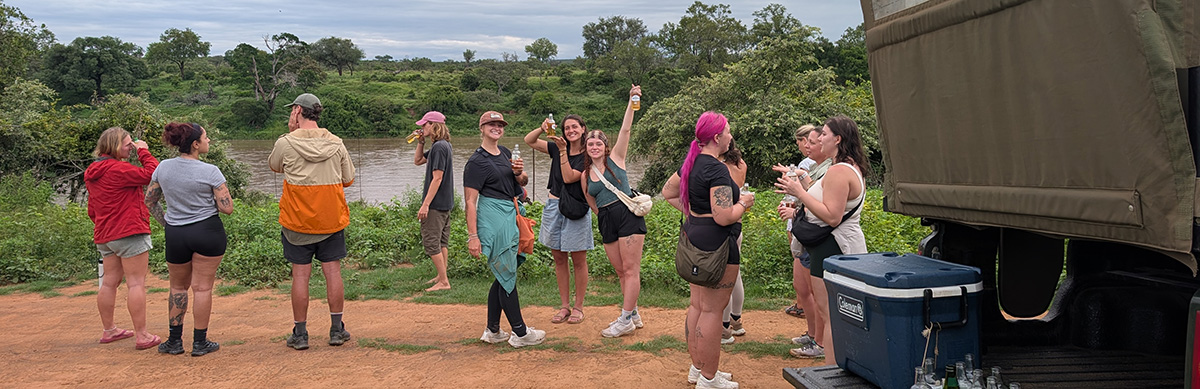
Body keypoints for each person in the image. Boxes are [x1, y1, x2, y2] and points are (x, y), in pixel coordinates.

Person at [661, 111, 754, 389]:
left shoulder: (691, 162)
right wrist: (745, 203)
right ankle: (710, 379)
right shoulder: (716, 170)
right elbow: (724, 215)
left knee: (697, 306)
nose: (730, 136)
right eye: (727, 131)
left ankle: (698, 369)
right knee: (713, 312)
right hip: (717, 245)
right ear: (716, 137)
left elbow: (668, 192)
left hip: (694, 237)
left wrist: (695, 214)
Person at [775, 115, 870, 364]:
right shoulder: (843, 167)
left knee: (831, 316)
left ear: (837, 139)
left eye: (824, 135)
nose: (818, 139)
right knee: (833, 315)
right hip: (830, 246)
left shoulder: (839, 171)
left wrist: (799, 193)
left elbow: (832, 217)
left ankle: (832, 372)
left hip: (833, 246)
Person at [268, 93, 356, 351]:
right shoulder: (337, 143)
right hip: (331, 221)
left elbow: (275, 166)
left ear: (297, 111)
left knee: (300, 275)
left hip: (297, 223)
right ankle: (337, 330)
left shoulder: (286, 142)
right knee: (333, 273)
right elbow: (348, 179)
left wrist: (290, 132)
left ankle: (301, 333)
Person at [145, 122, 234, 356]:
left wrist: (168, 223)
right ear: (195, 144)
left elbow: (150, 201)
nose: (208, 141)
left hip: (176, 233)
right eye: (206, 138)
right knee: (202, 289)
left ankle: (174, 342)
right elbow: (227, 209)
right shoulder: (211, 171)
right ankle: (199, 342)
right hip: (207, 232)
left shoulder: (163, 167)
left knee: (177, 287)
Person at [465, 110, 546, 348]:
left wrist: (519, 173)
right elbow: (470, 201)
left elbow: (520, 183)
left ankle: (493, 330)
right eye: (491, 124)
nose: (496, 128)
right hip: (494, 218)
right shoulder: (476, 162)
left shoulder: (506, 153)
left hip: (511, 213)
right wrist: (473, 236)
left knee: (503, 273)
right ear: (481, 128)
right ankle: (520, 332)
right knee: (507, 271)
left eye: (500, 125)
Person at [85, 127, 162, 351]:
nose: (131, 147)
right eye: (128, 144)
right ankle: (142, 335)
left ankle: (109, 330)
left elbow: (93, 208)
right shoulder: (119, 169)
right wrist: (144, 152)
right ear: (114, 145)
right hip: (129, 232)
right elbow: (152, 174)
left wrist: (102, 225)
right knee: (136, 282)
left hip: (105, 234)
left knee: (109, 282)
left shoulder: (93, 171)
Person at [580, 85, 646, 338]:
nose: (594, 146)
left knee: (631, 270)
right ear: (586, 147)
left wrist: (631, 101)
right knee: (620, 270)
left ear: (605, 146)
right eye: (590, 143)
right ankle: (634, 312)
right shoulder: (586, 174)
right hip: (607, 219)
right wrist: (605, 216)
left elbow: (626, 129)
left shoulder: (617, 158)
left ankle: (625, 319)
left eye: (598, 143)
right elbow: (591, 201)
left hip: (627, 215)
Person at [524, 113, 593, 324]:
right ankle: (564, 306)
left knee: (579, 260)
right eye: (566, 128)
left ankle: (578, 307)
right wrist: (543, 128)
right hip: (554, 205)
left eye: (575, 127)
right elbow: (529, 141)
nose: (570, 131)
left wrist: (563, 151)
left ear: (583, 129)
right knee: (559, 258)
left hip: (576, 208)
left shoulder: (589, 154)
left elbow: (570, 177)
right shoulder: (556, 147)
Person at [773, 124, 829, 356]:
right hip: (805, 234)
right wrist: (796, 206)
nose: (807, 146)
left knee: (817, 294)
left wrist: (795, 210)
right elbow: (812, 200)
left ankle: (820, 342)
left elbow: (824, 207)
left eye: (814, 142)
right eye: (806, 142)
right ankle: (812, 333)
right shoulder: (816, 167)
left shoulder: (830, 169)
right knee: (801, 286)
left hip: (816, 235)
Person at [411, 111, 454, 292]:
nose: (422, 128)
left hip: (435, 204)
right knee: (442, 242)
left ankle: (444, 282)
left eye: (424, 125)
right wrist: (420, 142)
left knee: (431, 242)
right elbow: (418, 161)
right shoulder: (444, 145)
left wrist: (425, 204)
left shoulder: (439, 148)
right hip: (445, 202)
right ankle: (441, 275)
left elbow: (437, 178)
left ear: (433, 125)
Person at [719, 140, 747, 345]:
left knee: (723, 276)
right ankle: (736, 319)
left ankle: (724, 323)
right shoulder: (740, 165)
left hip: (724, 222)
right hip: (738, 222)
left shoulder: (719, 167)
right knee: (735, 273)